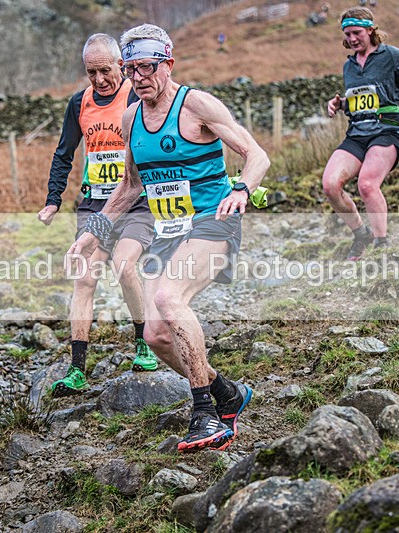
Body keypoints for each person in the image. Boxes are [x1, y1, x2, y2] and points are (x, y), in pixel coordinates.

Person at [67, 23, 270, 453]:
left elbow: (257, 154)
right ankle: (227, 393)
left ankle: (205, 416)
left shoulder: (196, 104)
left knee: (166, 299)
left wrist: (242, 189)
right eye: (131, 69)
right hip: (170, 232)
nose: (139, 77)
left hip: (213, 223)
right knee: (158, 335)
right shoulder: (130, 118)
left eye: (146, 67)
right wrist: (94, 230)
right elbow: (129, 186)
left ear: (167, 63)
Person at [38, 33, 158, 398]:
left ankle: (144, 343)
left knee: (124, 266)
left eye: (105, 70)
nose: (99, 79)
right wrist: (53, 199)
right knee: (84, 279)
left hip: (136, 201)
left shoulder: (136, 97)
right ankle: (76, 369)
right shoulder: (79, 104)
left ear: (120, 66)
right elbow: (64, 153)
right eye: (91, 72)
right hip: (94, 203)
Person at [323, 7, 399, 260]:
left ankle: (382, 245)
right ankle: (360, 234)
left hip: (386, 131)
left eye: (356, 33)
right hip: (357, 133)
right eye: (347, 34)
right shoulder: (349, 66)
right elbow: (357, 99)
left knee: (367, 184)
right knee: (330, 185)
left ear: (370, 30)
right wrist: (338, 104)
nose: (351, 39)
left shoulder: (391, 55)